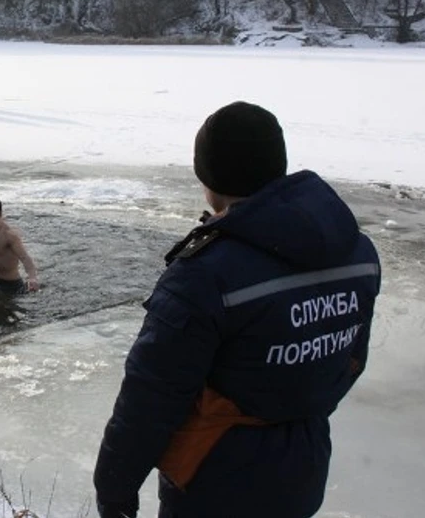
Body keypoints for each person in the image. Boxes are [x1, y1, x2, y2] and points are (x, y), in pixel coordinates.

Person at [93, 101, 381, 518]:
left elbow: (149, 398)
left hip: (215, 481)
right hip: (302, 466)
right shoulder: (358, 253)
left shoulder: (205, 276)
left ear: (208, 178)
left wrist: (114, 490)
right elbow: (352, 360)